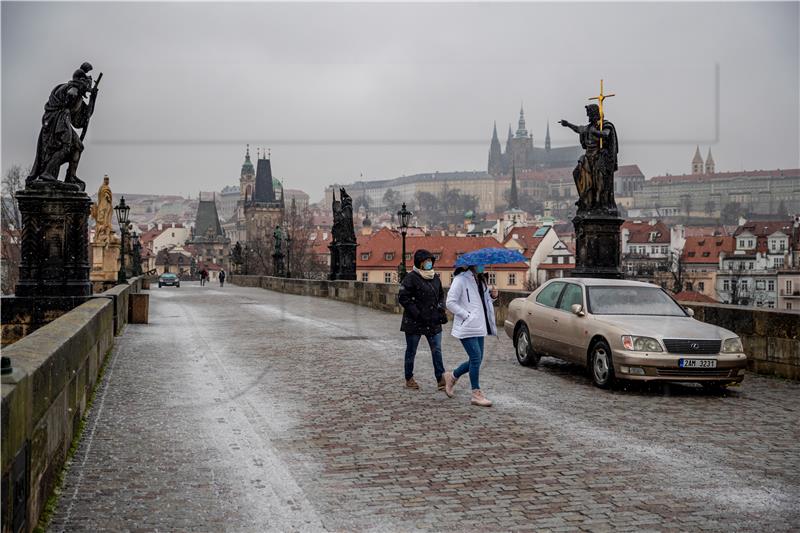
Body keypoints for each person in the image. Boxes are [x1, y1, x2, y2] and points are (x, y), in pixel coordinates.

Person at [443, 264, 498, 407]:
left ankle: (452, 376)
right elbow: (450, 302)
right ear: (472, 265)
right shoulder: (461, 279)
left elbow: (481, 304)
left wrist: (492, 297)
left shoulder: (481, 280)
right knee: (475, 357)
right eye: (480, 264)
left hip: (479, 326)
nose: (482, 266)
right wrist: (466, 315)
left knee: (477, 360)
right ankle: (476, 393)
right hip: (466, 326)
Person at [397, 249, 447, 390]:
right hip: (415, 321)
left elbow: (441, 295)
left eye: (430, 261)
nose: (429, 264)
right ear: (420, 263)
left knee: (436, 349)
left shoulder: (435, 278)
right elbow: (403, 297)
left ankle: (440, 379)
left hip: (433, 320)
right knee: (411, 350)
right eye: (426, 261)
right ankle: (409, 378)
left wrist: (441, 309)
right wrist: (417, 313)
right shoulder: (410, 278)